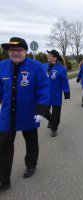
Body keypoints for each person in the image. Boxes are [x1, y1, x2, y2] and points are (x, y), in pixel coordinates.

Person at [0, 37, 50, 192]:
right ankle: (3, 180)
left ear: (25, 51)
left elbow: (43, 89)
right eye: (11, 50)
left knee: (31, 140)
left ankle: (31, 164)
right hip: (8, 113)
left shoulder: (36, 67)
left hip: (28, 112)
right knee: (3, 144)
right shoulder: (1, 66)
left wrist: (41, 110)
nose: (15, 53)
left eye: (18, 50)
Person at [43, 50, 70, 137]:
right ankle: (51, 120)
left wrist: (67, 93)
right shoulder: (44, 66)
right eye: (48, 55)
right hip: (45, 94)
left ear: (55, 57)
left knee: (56, 113)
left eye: (50, 55)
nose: (48, 56)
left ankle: (54, 128)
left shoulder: (61, 69)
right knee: (43, 110)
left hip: (55, 94)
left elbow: (64, 82)